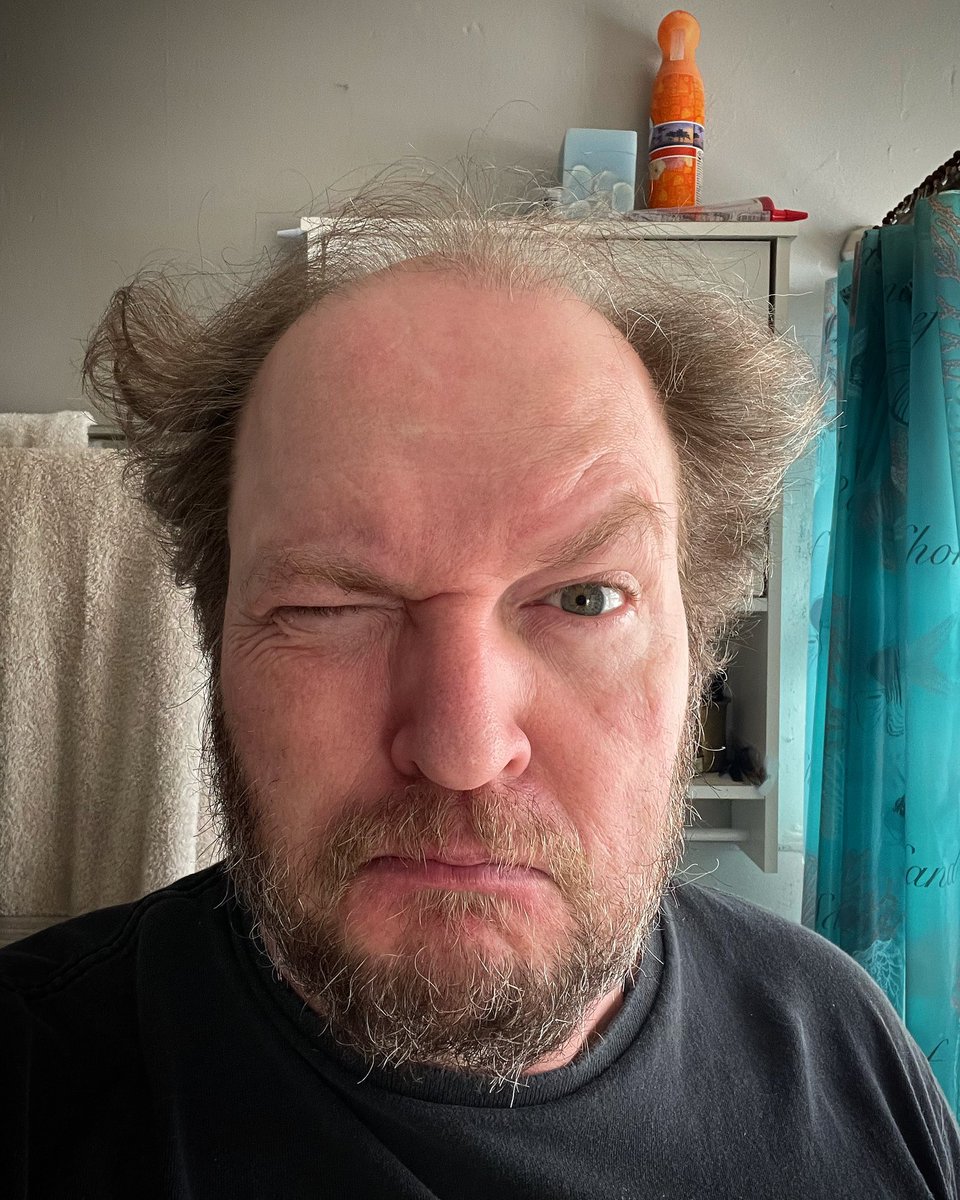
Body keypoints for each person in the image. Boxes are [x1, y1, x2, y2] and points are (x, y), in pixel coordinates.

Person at [2, 172, 959, 1199]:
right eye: (329, 606)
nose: (462, 750)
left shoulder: (851, 1053)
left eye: (586, 599)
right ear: (215, 639)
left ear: (701, 648)